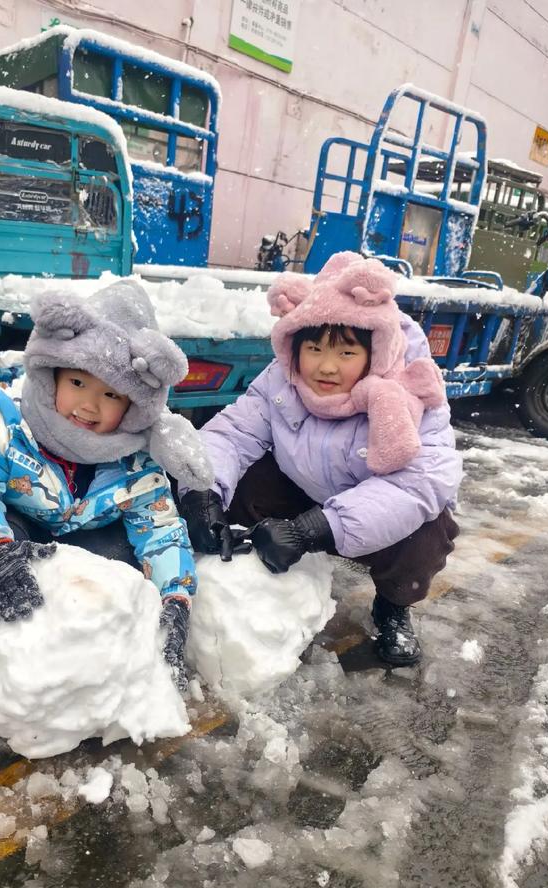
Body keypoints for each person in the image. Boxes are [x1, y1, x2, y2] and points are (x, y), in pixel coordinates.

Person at [178, 251, 463, 667]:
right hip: (305, 488)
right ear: (295, 345)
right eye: (314, 348)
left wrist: (313, 530)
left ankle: (393, 607)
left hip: (372, 510)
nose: (326, 367)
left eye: (346, 354)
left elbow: (418, 484)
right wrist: (201, 494)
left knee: (427, 529)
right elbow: (233, 433)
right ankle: (247, 569)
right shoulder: (282, 378)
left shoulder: (410, 391)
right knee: (246, 480)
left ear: (374, 352)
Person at [0, 280, 213, 689]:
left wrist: (176, 598)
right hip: (19, 530)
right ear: (53, 376)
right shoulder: (6, 426)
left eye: (111, 395)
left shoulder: (136, 459)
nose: (89, 406)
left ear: (134, 408)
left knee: (126, 566)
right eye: (78, 383)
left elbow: (161, 529)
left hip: (87, 539)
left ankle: (92, 660)